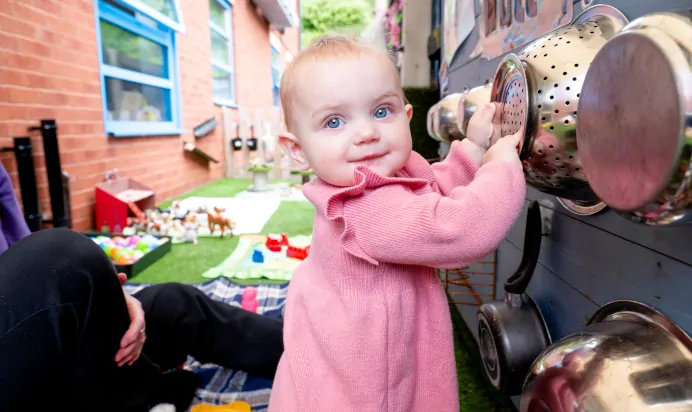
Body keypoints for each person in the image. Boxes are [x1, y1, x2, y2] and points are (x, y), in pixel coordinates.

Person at [270, 36, 526, 411]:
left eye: (380, 112)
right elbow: (455, 229)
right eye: (334, 121)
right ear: (297, 149)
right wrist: (500, 166)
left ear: (405, 117)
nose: (366, 133)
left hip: (346, 357)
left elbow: (429, 193)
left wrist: (472, 149)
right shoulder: (364, 205)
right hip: (370, 390)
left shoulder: (380, 177)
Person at [0, 166, 284, 411]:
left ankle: (308, 348)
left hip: (47, 343)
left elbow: (26, 268)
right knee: (62, 252)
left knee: (175, 303)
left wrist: (113, 297)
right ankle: (145, 393)